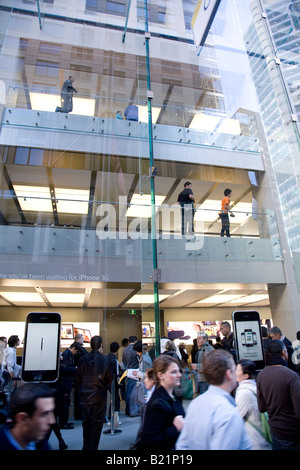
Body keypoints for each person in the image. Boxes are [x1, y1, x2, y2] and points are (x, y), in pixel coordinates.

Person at [176, 349, 252, 450]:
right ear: (229, 374)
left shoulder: (195, 404)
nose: (236, 374)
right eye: (234, 370)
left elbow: (182, 444)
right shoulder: (228, 415)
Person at [134, 355, 184, 451]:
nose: (179, 375)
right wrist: (175, 428)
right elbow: (150, 441)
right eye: (173, 372)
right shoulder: (158, 403)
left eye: (178, 371)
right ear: (161, 375)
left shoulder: (173, 395)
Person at [256, 340, 300, 450]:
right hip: (292, 434)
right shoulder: (291, 375)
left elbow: (261, 408)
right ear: (284, 352)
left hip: (275, 432)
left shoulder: (261, 376)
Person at [75, 335, 112, 450]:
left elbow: (77, 379)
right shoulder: (104, 360)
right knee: (96, 428)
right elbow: (109, 379)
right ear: (101, 345)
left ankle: (86, 447)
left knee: (86, 426)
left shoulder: (83, 359)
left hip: (85, 397)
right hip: (99, 398)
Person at [0, 383, 55, 450]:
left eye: (51, 412)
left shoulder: (38, 441)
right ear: (22, 419)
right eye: (44, 414)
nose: (52, 421)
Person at [235, 359, 272, 450]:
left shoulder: (244, 393)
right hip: (261, 439)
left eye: (237, 370)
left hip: (255, 441)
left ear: (246, 376)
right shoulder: (255, 387)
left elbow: (236, 418)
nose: (235, 372)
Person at [58, 342, 81, 429]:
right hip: (64, 382)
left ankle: (65, 421)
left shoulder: (68, 355)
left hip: (67, 382)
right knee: (64, 403)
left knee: (66, 402)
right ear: (74, 349)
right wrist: (75, 369)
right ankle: (63, 422)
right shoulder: (66, 355)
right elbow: (64, 369)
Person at [122, 335, 139, 416]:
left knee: (128, 391)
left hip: (127, 371)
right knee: (134, 392)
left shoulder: (125, 350)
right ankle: (133, 410)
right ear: (135, 341)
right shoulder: (135, 350)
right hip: (135, 372)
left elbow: (124, 361)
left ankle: (127, 409)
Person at [107, 341, 121, 427]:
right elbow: (116, 373)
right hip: (113, 382)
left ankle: (110, 417)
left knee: (113, 400)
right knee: (116, 400)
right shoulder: (114, 360)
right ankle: (114, 418)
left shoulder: (107, 358)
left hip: (108, 382)